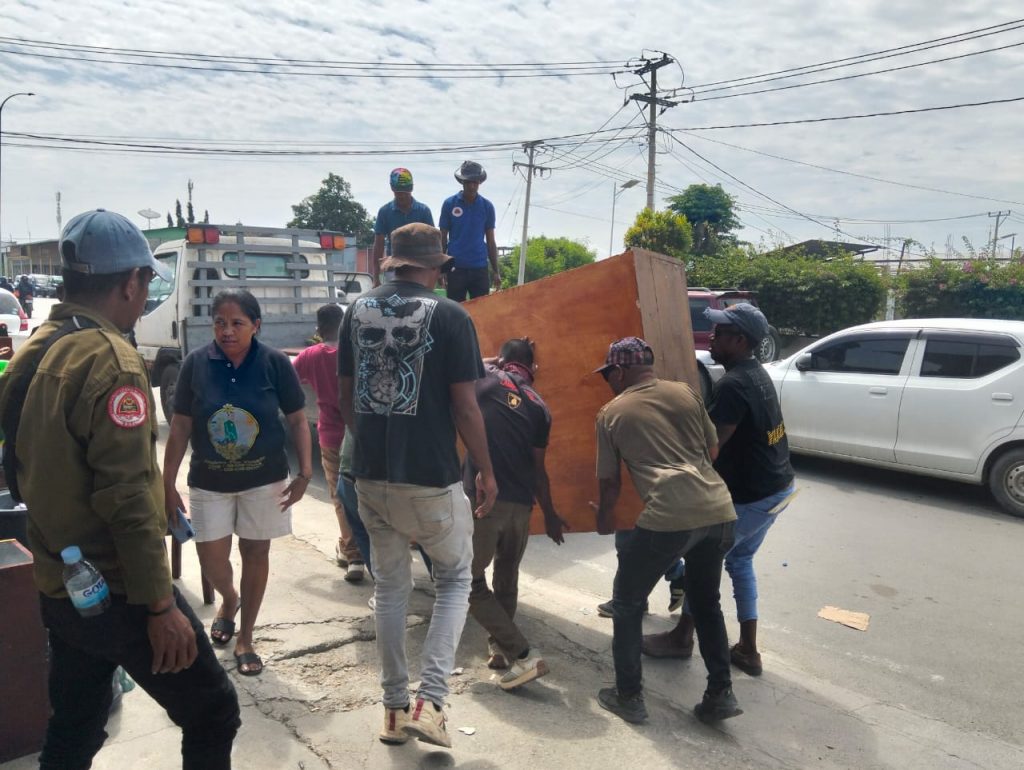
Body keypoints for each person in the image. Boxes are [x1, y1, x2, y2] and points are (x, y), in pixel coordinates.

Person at [0, 208, 240, 768]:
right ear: (130, 282)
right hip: (118, 590)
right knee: (213, 712)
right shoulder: (111, 359)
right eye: (146, 282)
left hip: (61, 580)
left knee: (76, 725)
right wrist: (161, 607)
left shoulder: (38, 347)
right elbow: (127, 497)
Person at [338, 221, 497, 749]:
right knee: (454, 579)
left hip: (369, 476)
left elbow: (345, 397)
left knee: (390, 589)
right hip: (430, 478)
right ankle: (430, 703)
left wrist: (371, 446)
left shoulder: (356, 311)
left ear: (392, 262)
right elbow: (466, 406)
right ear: (436, 267)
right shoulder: (451, 315)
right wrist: (486, 470)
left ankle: (393, 711)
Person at [590, 337, 741, 725]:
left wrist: (604, 519)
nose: (608, 382)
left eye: (607, 375)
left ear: (620, 371)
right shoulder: (685, 393)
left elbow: (609, 483)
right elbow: (713, 451)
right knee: (706, 603)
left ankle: (628, 697)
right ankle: (720, 694)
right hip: (719, 511)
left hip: (669, 516)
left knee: (626, 604)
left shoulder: (611, 413)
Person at [163, 289, 313, 677]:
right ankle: (229, 599)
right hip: (209, 481)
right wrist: (167, 483)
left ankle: (246, 637)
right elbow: (180, 426)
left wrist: (305, 473)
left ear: (255, 325)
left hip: (265, 480)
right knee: (211, 559)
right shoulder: (196, 363)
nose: (227, 331)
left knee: (255, 553)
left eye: (236, 323)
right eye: (219, 323)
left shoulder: (274, 363)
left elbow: (297, 420)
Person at [643, 304, 796, 677]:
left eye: (721, 332)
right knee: (739, 561)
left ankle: (682, 637)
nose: (711, 336)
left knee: (701, 562)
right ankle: (748, 649)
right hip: (777, 488)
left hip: (750, 497)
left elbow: (710, 448)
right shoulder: (755, 374)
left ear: (740, 340)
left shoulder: (733, 385)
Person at [464, 337, 568, 690]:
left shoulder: (486, 378)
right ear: (533, 368)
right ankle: (499, 649)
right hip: (521, 507)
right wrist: (550, 514)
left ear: (503, 359)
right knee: (506, 578)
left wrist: (492, 359)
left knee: (467, 582)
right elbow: (540, 470)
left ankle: (521, 652)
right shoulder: (541, 406)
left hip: (485, 503)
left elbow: (460, 361)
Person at [292, 303, 364, 581]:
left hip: (332, 436)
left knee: (341, 495)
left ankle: (353, 555)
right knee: (372, 493)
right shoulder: (360, 351)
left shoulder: (311, 355)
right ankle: (400, 545)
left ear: (319, 329)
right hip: (363, 435)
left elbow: (287, 377)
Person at [439, 161, 500, 301]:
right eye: (468, 182)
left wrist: (496, 271)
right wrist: (441, 269)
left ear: (479, 182)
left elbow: (491, 241)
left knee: (481, 310)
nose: (472, 186)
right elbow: (442, 239)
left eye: (475, 182)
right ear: (462, 182)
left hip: (479, 268)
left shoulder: (487, 206)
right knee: (456, 309)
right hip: (455, 268)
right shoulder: (449, 204)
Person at [371, 167, 435, 286]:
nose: (402, 196)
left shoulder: (424, 211)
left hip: (419, 267)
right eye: (398, 192)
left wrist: (435, 272)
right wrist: (375, 277)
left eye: (405, 192)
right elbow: (378, 244)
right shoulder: (385, 212)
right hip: (394, 269)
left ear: (411, 189)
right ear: (392, 188)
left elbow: (432, 241)